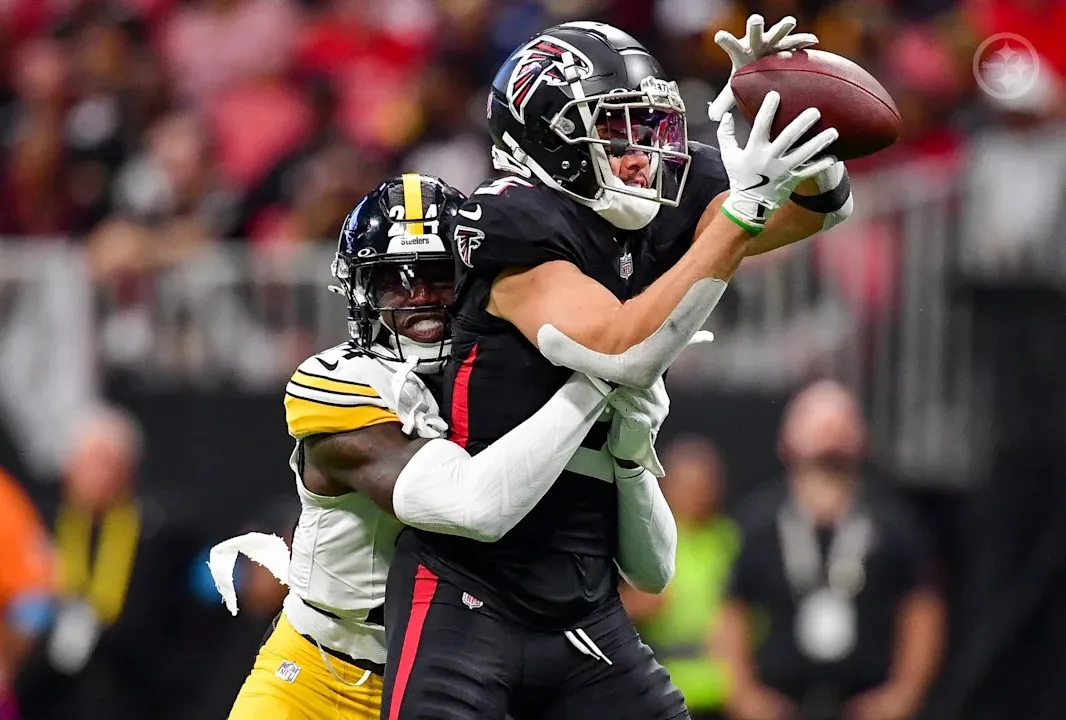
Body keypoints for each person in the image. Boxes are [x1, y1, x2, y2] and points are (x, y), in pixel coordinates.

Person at [382, 17, 856, 720]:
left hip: (582, 593)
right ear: (546, 136)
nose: (642, 155)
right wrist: (743, 212)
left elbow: (818, 211)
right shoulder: (513, 221)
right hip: (467, 588)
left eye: (650, 127)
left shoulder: (654, 192)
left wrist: (795, 125)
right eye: (614, 128)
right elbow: (619, 347)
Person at [211, 174, 673, 720]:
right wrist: (602, 375)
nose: (422, 298)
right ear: (363, 292)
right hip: (325, 675)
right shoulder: (342, 382)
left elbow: (653, 570)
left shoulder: (520, 378)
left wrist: (629, 449)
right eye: (397, 282)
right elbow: (471, 506)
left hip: (468, 673)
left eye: (440, 276)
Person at [718, 381, 945, 720]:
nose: (830, 441)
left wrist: (905, 691)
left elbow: (922, 608)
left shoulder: (891, 522)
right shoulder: (759, 522)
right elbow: (731, 611)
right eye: (819, 430)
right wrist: (743, 693)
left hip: (866, 704)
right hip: (783, 704)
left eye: (840, 428)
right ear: (788, 441)